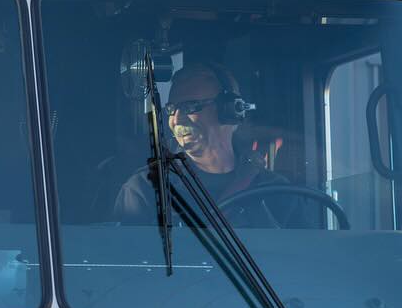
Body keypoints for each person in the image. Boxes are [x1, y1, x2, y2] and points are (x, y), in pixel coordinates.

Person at [114, 62, 311, 227]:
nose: (177, 119)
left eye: (191, 107)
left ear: (229, 111)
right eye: (172, 109)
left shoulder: (277, 191)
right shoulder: (146, 190)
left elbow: (302, 263)